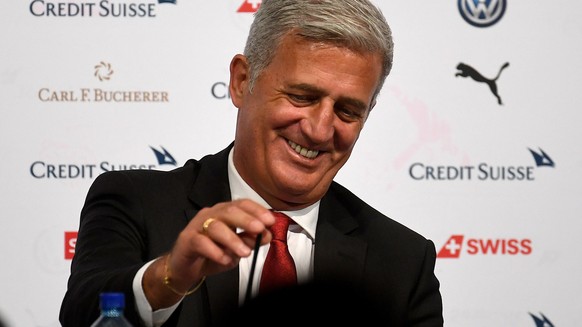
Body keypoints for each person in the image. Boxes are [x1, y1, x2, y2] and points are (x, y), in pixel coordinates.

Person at [60, 0, 444, 326]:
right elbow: (81, 312)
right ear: (243, 81)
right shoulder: (135, 201)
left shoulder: (403, 261)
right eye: (301, 96)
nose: (320, 129)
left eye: (347, 110)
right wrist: (169, 277)